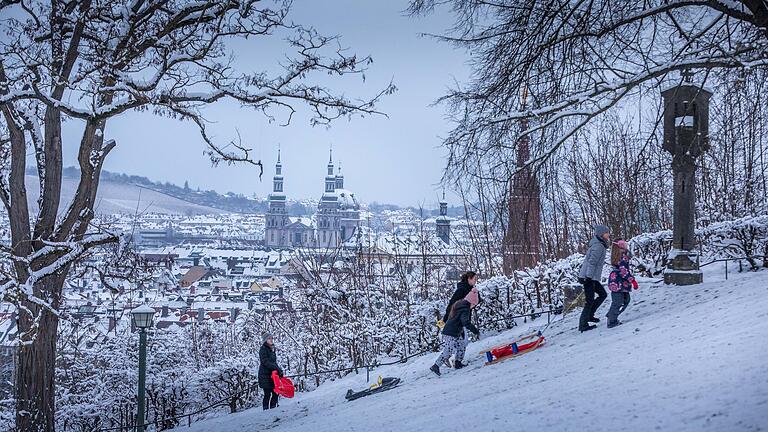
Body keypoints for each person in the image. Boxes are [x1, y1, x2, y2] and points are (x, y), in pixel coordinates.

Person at [430, 287, 481, 376]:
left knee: (461, 346)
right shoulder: (465, 308)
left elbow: (459, 321)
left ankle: (458, 363)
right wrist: (475, 330)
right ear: (472, 302)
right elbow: (465, 322)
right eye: (474, 304)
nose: (474, 306)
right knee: (448, 350)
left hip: (455, 332)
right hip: (450, 333)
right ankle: (436, 366)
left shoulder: (460, 305)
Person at [578, 224, 610, 332]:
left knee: (602, 294)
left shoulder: (600, 244)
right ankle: (583, 324)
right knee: (589, 300)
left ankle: (590, 315)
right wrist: (589, 277)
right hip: (588, 277)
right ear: (601, 234)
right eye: (606, 233)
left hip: (591, 277)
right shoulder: (598, 246)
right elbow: (592, 262)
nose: (608, 234)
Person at [606, 239, 639, 328]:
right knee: (618, 302)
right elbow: (624, 271)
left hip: (616, 282)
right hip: (619, 282)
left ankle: (611, 315)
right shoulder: (622, 257)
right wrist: (633, 281)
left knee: (624, 300)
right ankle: (612, 320)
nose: (626, 246)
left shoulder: (618, 256)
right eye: (623, 244)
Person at [258, 333, 283, 410]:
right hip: (265, 375)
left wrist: (278, 370)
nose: (271, 340)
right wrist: (276, 368)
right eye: (269, 338)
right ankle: (266, 411)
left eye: (272, 338)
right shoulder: (263, 349)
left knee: (275, 393)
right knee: (267, 394)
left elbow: (273, 362)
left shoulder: (271, 349)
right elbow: (265, 362)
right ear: (265, 340)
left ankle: (273, 409)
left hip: (273, 375)